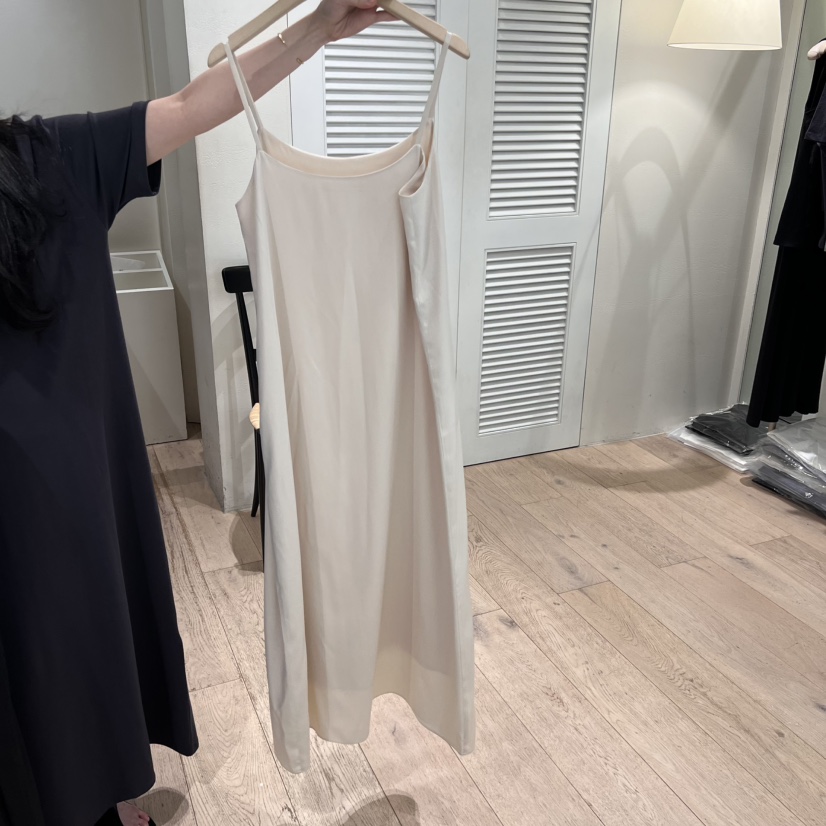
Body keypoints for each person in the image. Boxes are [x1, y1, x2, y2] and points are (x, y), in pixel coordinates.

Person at [0, 3, 393, 825]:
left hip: (60, 501)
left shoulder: (43, 161)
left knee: (56, 655)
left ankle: (92, 802)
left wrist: (316, 29)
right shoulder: (46, 162)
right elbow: (186, 107)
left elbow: (188, 106)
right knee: (60, 654)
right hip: (63, 501)